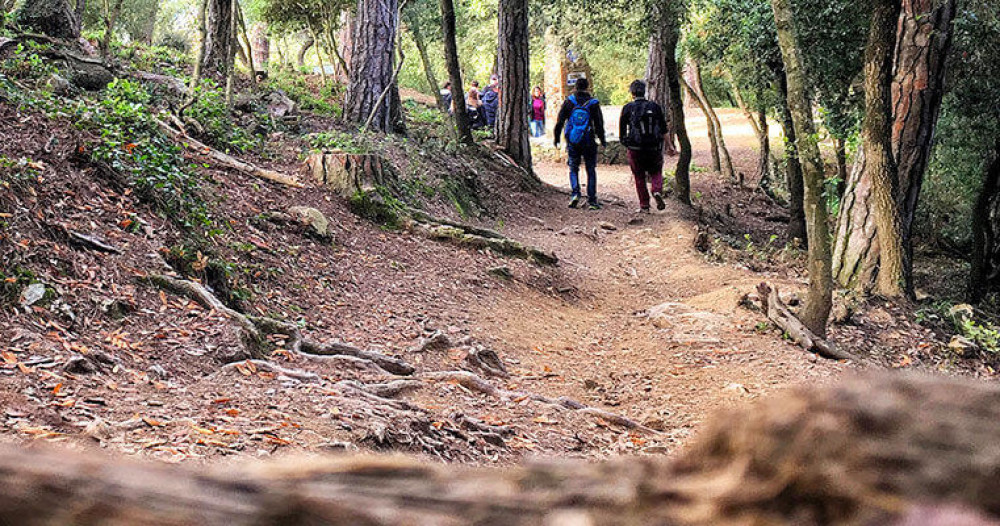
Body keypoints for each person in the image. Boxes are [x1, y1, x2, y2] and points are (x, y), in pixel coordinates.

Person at [554, 78, 607, 210]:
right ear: (587, 87)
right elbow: (599, 124)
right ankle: (592, 200)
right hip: (588, 140)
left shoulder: (569, 102)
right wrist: (602, 139)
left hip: (573, 140)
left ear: (575, 87)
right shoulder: (593, 103)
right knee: (590, 169)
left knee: (573, 168)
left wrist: (556, 138)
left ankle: (575, 194)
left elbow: (560, 121)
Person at [619, 79, 669, 213]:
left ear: (632, 93)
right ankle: (656, 190)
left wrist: (627, 144)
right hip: (654, 147)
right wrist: (669, 146)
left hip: (635, 148)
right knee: (656, 171)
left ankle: (644, 206)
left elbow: (622, 131)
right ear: (644, 91)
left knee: (639, 176)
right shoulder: (655, 107)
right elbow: (664, 129)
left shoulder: (627, 108)